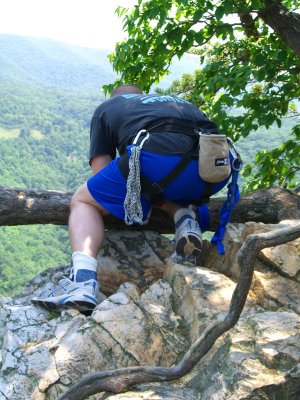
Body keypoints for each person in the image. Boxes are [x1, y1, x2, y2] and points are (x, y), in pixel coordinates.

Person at [32, 84, 231, 314]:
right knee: (166, 182)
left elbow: (101, 172)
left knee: (84, 200)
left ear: (117, 97)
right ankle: (186, 218)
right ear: (142, 96)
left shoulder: (107, 107)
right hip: (213, 172)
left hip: (159, 160)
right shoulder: (172, 102)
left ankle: (82, 281)